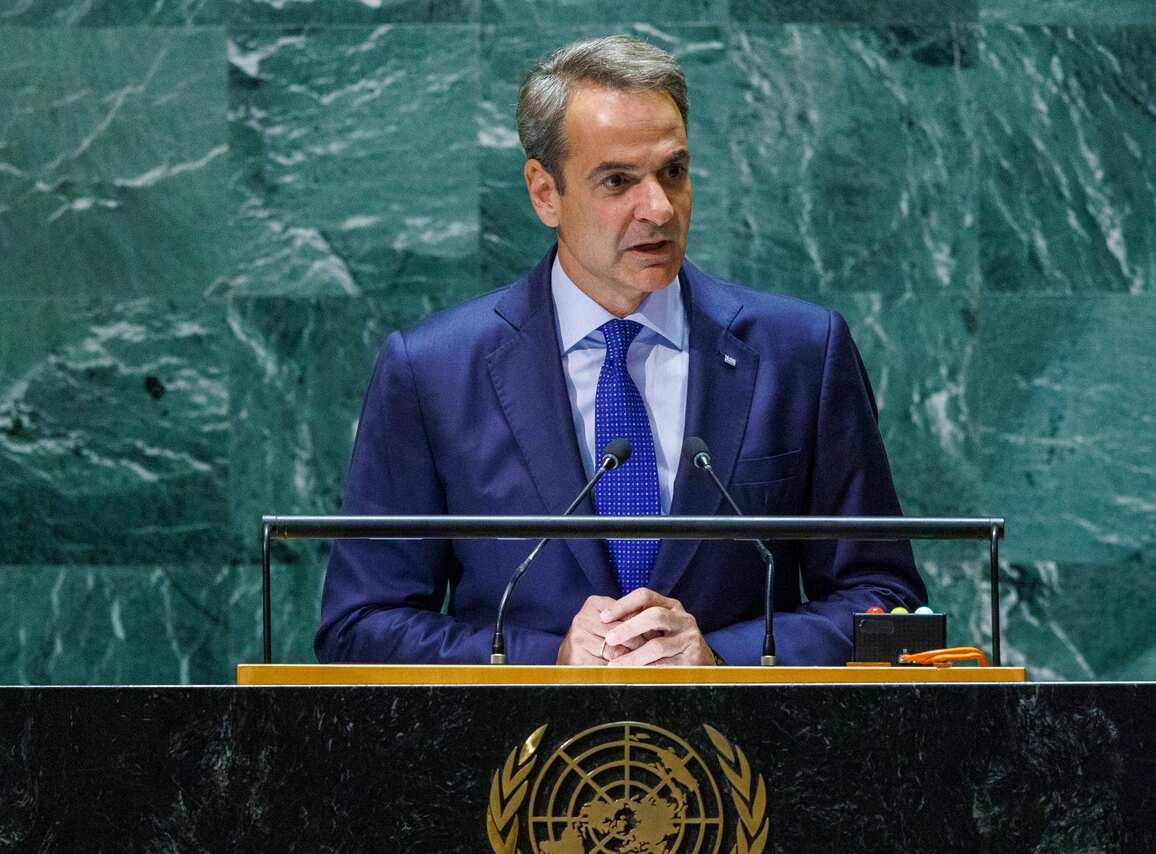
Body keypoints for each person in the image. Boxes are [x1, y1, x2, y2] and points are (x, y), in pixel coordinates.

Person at [314, 35, 926, 667]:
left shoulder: (800, 353)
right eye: (617, 181)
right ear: (544, 192)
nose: (658, 208)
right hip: (515, 758)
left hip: (745, 757)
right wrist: (545, 659)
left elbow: (886, 602)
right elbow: (360, 626)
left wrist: (721, 656)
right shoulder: (433, 371)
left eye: (674, 172)